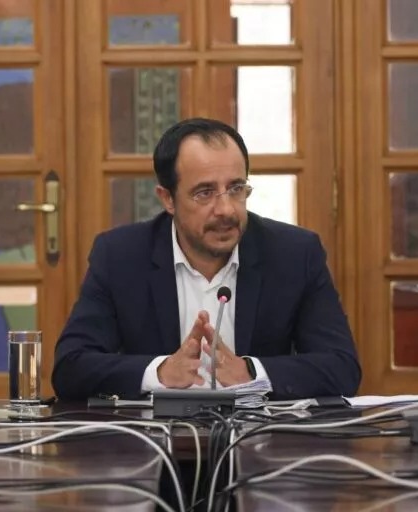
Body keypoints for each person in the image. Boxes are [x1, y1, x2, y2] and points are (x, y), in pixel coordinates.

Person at [52, 118, 361, 400]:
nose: (226, 209)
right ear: (168, 199)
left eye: (236, 188)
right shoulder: (120, 256)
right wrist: (160, 373)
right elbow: (71, 368)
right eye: (204, 193)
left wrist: (251, 373)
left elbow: (341, 367)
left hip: (260, 438)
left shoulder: (294, 254)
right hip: (155, 438)